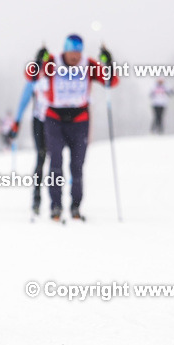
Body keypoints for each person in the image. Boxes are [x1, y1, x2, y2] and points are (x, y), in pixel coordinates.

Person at [28, 35, 119, 221]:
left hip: (79, 120)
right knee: (55, 165)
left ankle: (75, 206)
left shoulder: (88, 64)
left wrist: (109, 62)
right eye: (72, 53)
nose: (75, 57)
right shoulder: (52, 62)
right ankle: (56, 206)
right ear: (65, 51)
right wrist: (38, 60)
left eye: (78, 53)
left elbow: (110, 81)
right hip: (55, 119)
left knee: (77, 166)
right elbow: (32, 76)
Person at [8, 64, 49, 215]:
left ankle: (57, 200)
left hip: (56, 123)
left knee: (57, 159)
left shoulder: (58, 75)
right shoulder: (34, 80)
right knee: (41, 157)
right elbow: (23, 102)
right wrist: (16, 123)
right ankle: (36, 198)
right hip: (39, 122)